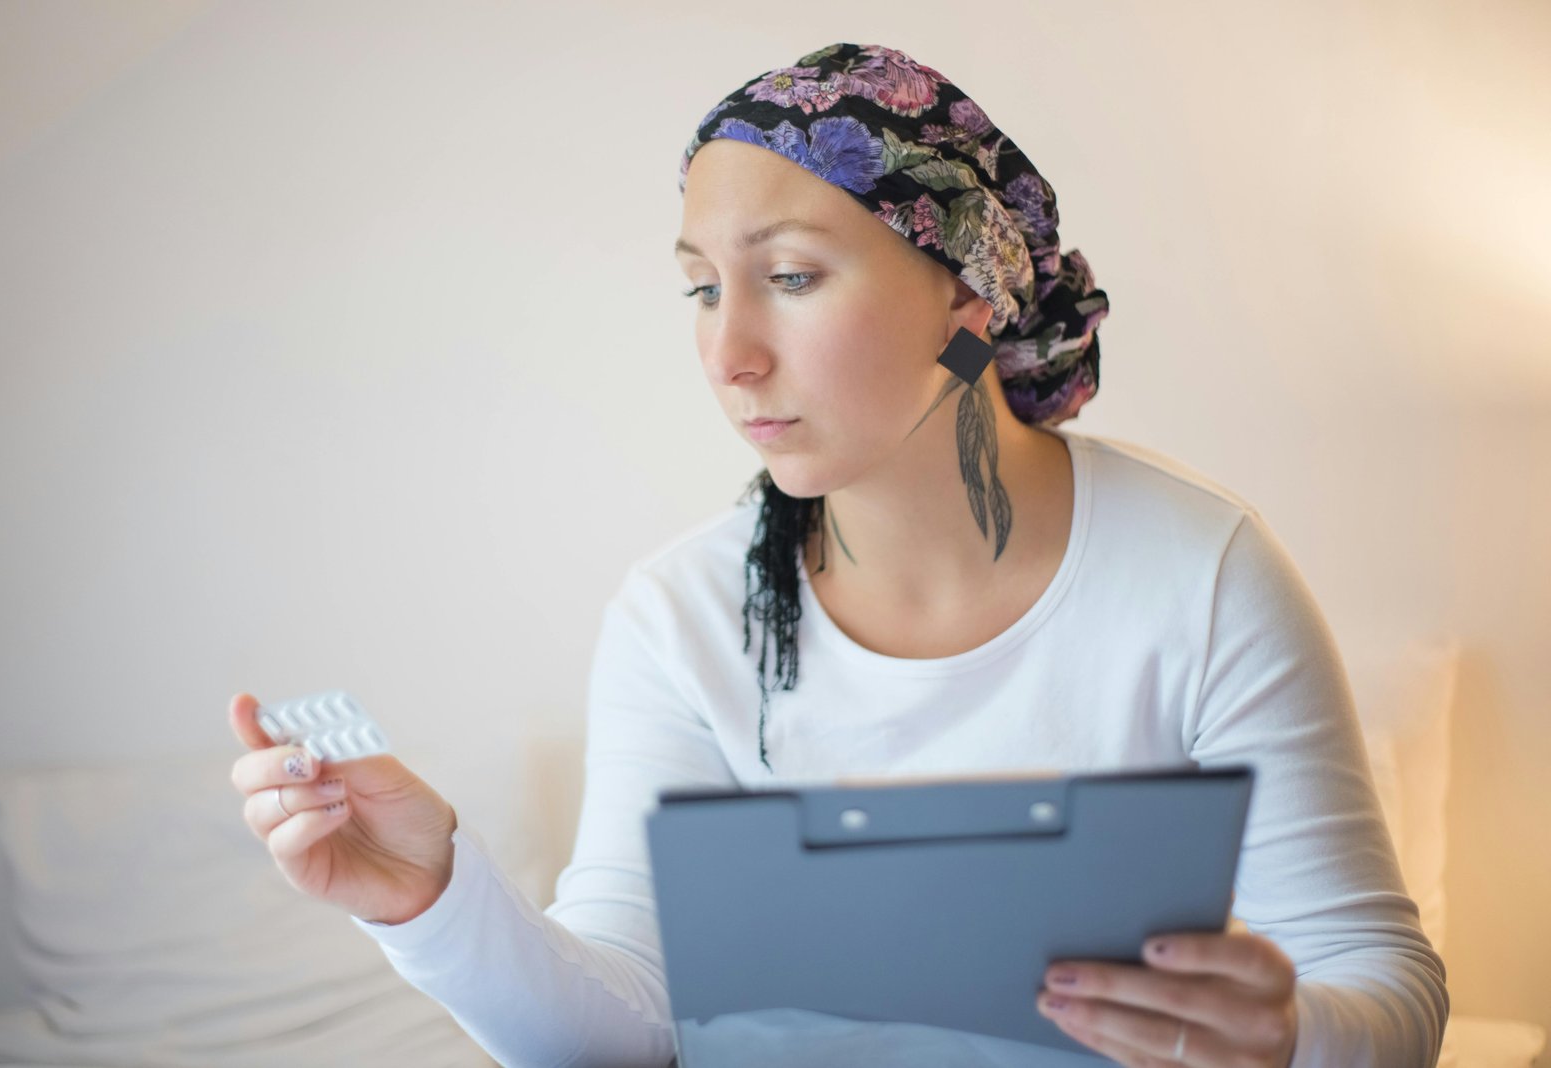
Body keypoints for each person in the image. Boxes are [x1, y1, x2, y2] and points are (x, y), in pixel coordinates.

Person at [227, 42, 1447, 1068]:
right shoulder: (680, 617)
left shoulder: (1198, 571)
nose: (729, 354)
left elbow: (1382, 979)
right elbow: (628, 1031)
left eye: (791, 278)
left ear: (971, 301)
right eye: (703, 290)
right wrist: (429, 902)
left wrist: (1292, 1037)